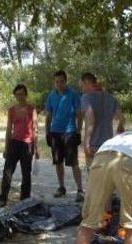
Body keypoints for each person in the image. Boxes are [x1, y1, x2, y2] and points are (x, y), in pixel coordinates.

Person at [45, 70, 84, 202]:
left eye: (62, 81)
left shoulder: (73, 95)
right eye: (57, 82)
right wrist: (47, 132)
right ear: (54, 82)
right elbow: (49, 116)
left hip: (70, 132)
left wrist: (78, 131)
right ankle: (61, 187)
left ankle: (80, 190)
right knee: (58, 162)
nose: (59, 84)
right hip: (55, 132)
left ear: (65, 81)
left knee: (74, 163)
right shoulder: (51, 96)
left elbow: (79, 114)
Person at [0, 84, 39, 206]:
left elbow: (35, 128)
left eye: (22, 94)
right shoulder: (12, 110)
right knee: (7, 171)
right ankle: (2, 198)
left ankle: (25, 200)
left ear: (26, 95)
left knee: (26, 173)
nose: (20, 96)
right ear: (15, 95)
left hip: (27, 144)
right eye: (17, 94)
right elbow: (9, 129)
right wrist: (6, 147)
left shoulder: (32, 109)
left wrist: (36, 148)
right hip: (14, 143)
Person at [79, 72, 125, 168]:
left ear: (88, 83)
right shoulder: (111, 98)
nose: (82, 89)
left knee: (93, 177)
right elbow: (121, 117)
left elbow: (91, 117)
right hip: (108, 145)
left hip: (93, 146)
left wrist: (86, 143)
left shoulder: (86, 97)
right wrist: (120, 126)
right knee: (105, 178)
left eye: (82, 86)